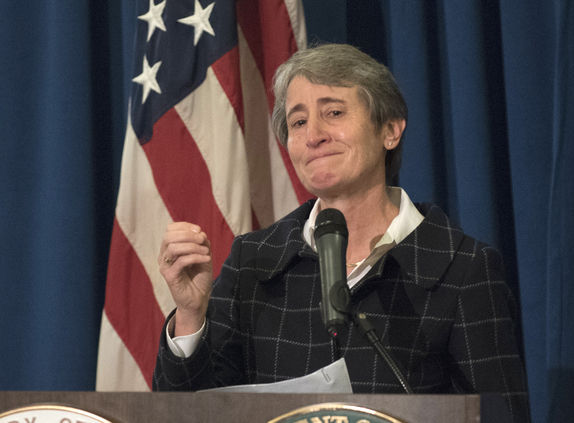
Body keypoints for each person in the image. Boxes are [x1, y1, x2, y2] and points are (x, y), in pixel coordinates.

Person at [153, 43, 530, 422]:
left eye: (333, 113)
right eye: (298, 122)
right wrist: (190, 316)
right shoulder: (254, 263)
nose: (313, 135)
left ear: (390, 130)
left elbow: (501, 417)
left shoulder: (461, 269)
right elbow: (188, 415)